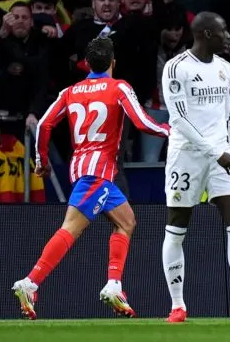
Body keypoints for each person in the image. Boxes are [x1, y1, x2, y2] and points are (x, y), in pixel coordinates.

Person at [11, 37, 170, 320]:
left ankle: (114, 285)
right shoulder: (118, 86)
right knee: (71, 228)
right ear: (113, 62)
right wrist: (170, 131)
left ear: (86, 64)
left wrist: (41, 161)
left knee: (127, 221)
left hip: (88, 170)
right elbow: (141, 122)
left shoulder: (71, 91)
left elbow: (45, 123)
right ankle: (30, 282)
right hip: (98, 172)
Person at [160, 12, 230, 323]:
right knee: (178, 225)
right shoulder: (177, 67)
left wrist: (229, 148)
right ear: (206, 34)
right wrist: (214, 150)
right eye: (222, 31)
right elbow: (179, 120)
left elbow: (227, 113)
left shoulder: (225, 68)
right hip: (187, 155)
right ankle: (178, 305)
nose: (227, 36)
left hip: (222, 155)